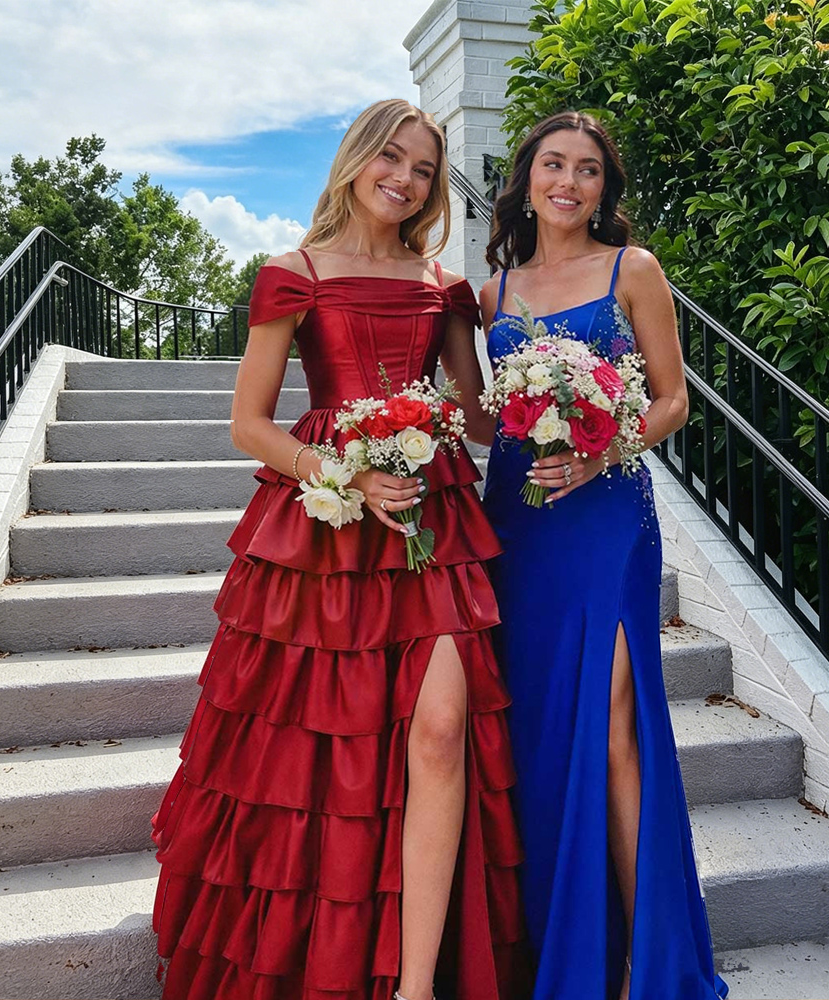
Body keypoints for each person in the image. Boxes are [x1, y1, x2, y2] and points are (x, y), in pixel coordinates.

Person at [151, 99, 528, 1000]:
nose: (404, 178)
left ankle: (416, 988)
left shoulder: (442, 285)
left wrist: (556, 382)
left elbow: (476, 422)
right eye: (390, 158)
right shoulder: (293, 274)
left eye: (425, 169)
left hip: (432, 520)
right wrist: (347, 474)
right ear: (357, 159)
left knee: (442, 730)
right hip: (325, 527)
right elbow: (249, 425)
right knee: (324, 747)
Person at [479, 110, 729, 1000]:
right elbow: (484, 418)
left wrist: (602, 446)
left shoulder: (636, 270)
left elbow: (672, 401)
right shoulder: (495, 290)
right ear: (528, 177)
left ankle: (647, 971)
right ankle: (567, 951)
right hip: (520, 521)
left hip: (609, 516)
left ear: (603, 189)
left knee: (617, 727)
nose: (569, 183)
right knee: (541, 732)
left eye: (588, 170)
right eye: (554, 164)